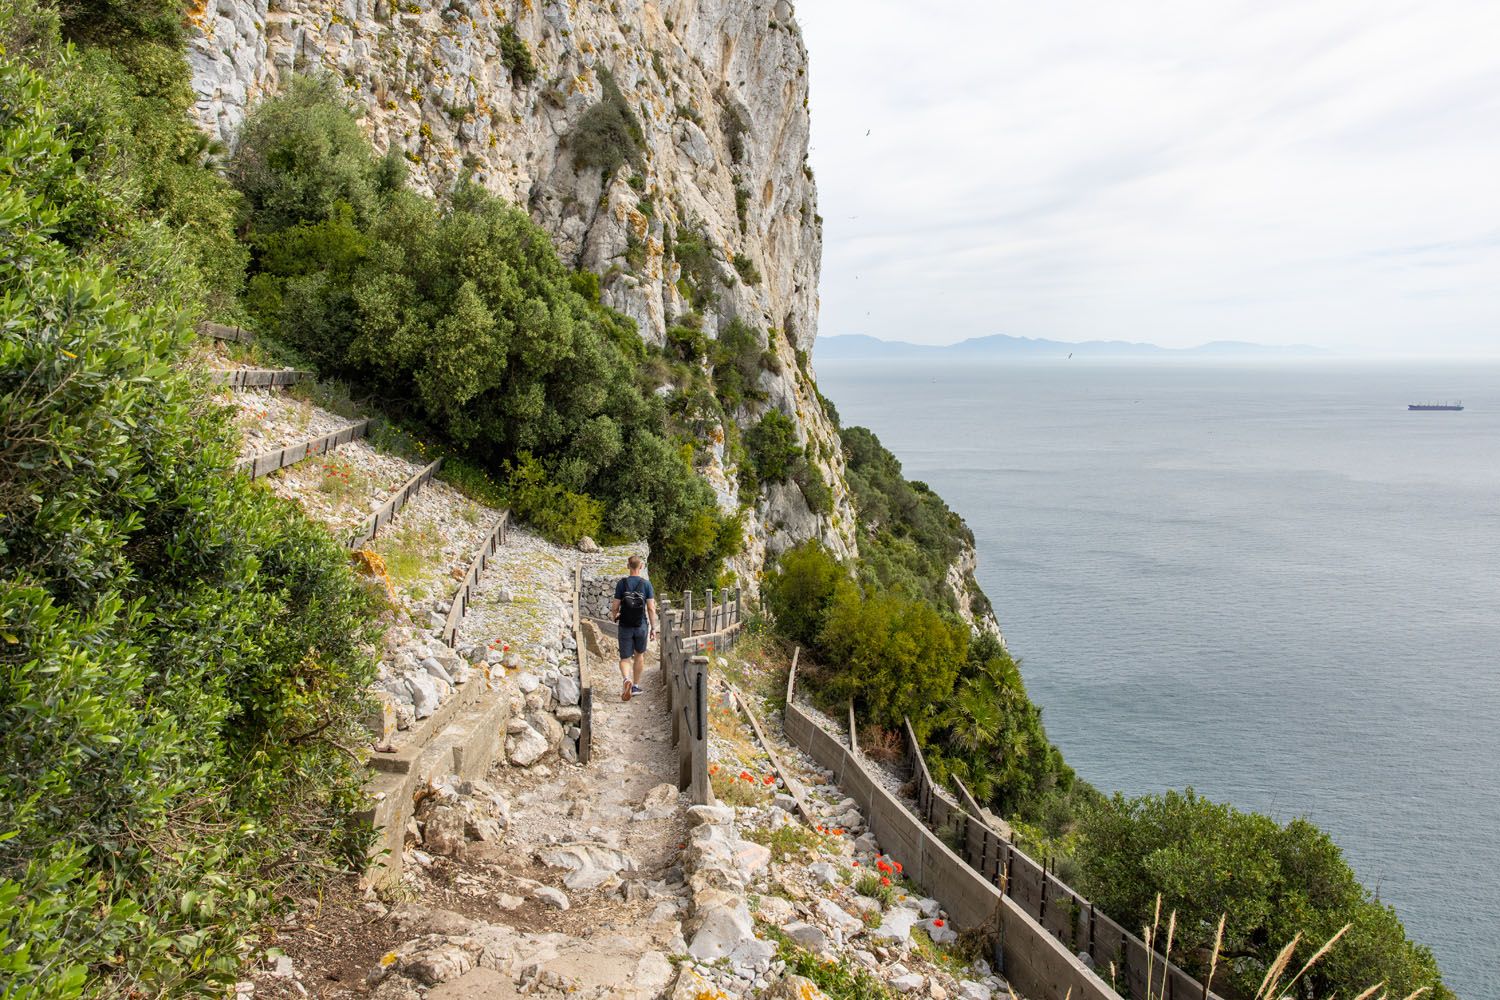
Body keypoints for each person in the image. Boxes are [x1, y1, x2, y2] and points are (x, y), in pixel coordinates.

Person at [611, 555, 656, 702]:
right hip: (640, 625)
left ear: (628, 566)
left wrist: (614, 616)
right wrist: (653, 628)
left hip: (625, 624)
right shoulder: (646, 584)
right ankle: (635, 686)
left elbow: (615, 606)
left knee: (624, 658)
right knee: (639, 655)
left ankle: (626, 680)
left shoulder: (621, 584)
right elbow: (650, 608)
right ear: (641, 566)